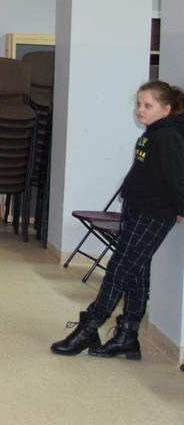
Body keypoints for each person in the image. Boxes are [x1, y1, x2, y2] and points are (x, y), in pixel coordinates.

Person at [51, 81, 184, 360]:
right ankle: (127, 336)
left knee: (119, 269)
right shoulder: (153, 133)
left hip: (153, 214)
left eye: (148, 105)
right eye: (138, 104)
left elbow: (175, 179)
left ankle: (90, 325)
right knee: (137, 271)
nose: (140, 110)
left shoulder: (168, 136)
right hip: (136, 208)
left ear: (166, 109)